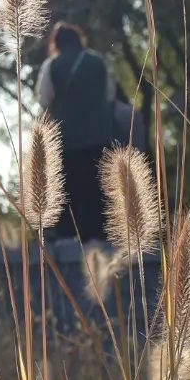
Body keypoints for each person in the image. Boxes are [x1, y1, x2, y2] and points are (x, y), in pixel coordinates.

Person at [36, 21, 117, 242]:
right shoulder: (98, 62)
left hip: (66, 138)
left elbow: (44, 99)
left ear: (57, 43)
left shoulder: (51, 65)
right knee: (96, 188)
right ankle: (97, 238)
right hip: (100, 135)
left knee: (68, 187)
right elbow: (110, 95)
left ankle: (67, 236)